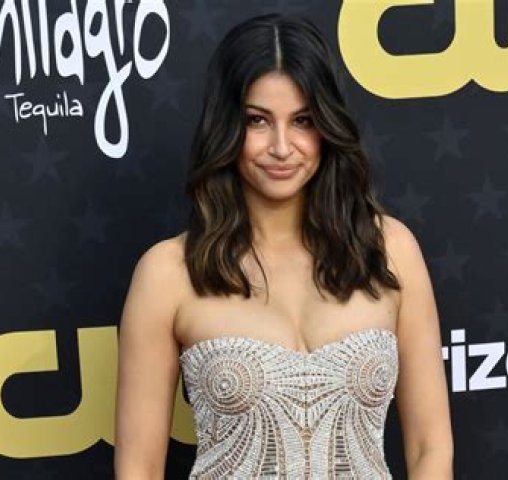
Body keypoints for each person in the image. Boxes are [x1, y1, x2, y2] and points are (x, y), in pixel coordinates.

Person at [114, 12, 453, 479]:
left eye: (303, 121)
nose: (281, 146)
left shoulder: (389, 250)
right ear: (226, 126)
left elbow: (429, 447)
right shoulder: (169, 273)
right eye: (257, 120)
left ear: (327, 126)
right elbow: (139, 468)